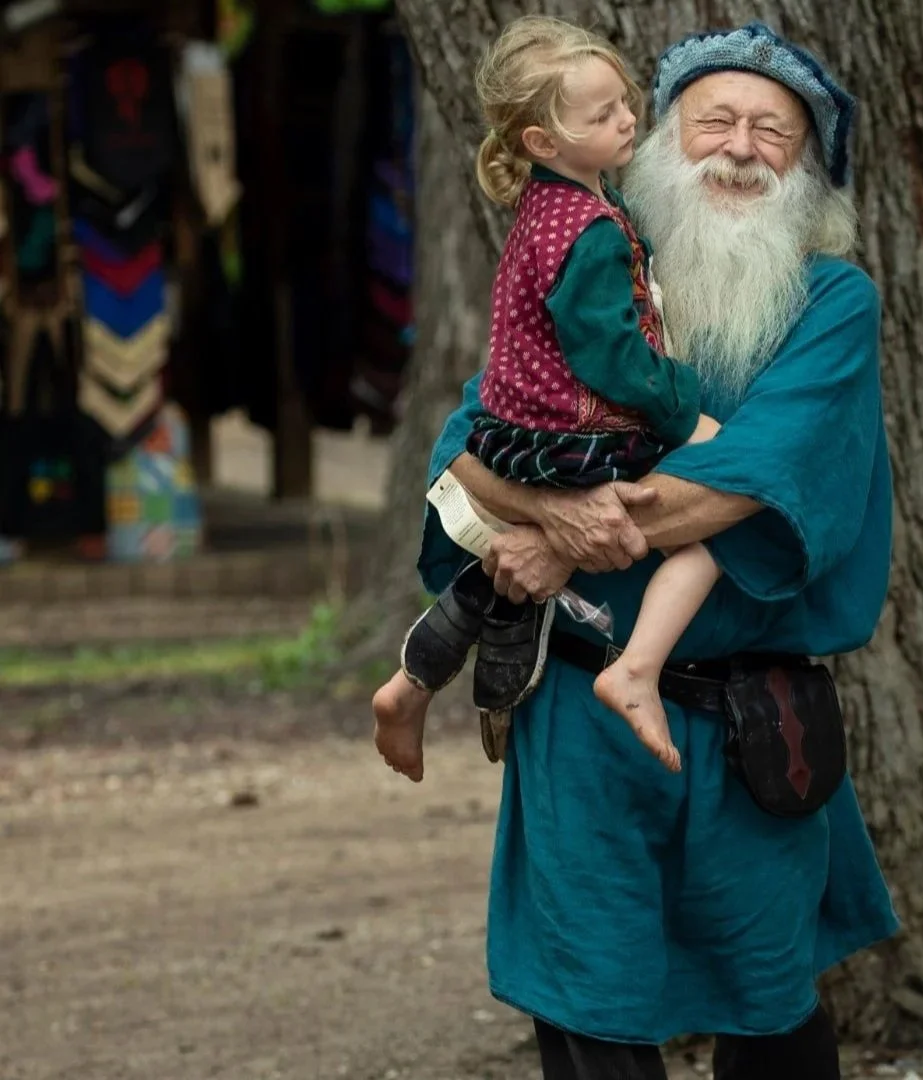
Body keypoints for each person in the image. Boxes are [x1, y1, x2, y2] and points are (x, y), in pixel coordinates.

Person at [415, 21, 900, 1080]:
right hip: (578, 714)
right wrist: (550, 518)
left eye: (773, 130)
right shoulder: (587, 274)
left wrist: (552, 528)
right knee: (587, 988)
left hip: (749, 719)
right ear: (658, 146)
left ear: (810, 168)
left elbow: (746, 481)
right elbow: (460, 456)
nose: (738, 146)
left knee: (768, 994)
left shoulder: (833, 305)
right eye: (713, 119)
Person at [373, 16, 725, 782]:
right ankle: (637, 670)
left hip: (514, 428)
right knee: (720, 490)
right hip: (576, 437)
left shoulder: (544, 206)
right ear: (542, 141)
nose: (628, 119)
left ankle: (412, 683)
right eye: (602, 115)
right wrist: (680, 402)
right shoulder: (592, 230)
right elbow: (615, 359)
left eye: (626, 102)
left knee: (506, 570)